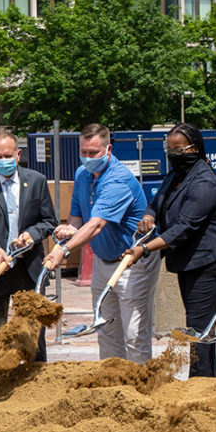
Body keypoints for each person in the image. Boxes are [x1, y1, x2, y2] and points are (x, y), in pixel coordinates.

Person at [123, 124, 216, 378]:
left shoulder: (205, 181)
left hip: (209, 260)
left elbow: (184, 227)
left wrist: (143, 247)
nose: (173, 154)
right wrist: (148, 217)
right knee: (197, 325)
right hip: (189, 260)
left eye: (179, 149)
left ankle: (203, 382)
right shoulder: (175, 176)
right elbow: (156, 203)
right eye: (169, 149)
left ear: (194, 149)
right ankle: (204, 379)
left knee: (199, 329)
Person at [43, 124, 154, 363]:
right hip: (104, 261)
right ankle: (113, 381)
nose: (88, 158)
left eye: (94, 152)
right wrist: (69, 229)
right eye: (84, 152)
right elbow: (78, 218)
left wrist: (65, 249)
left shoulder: (118, 180)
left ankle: (140, 386)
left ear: (108, 149)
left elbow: (96, 225)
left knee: (134, 333)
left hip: (131, 263)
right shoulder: (82, 175)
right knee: (107, 330)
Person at [0, 131, 58, 362]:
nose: (3, 160)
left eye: (8, 155)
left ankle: (34, 380)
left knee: (32, 333)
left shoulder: (35, 181)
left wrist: (30, 235)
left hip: (29, 269)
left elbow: (49, 221)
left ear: (18, 154)